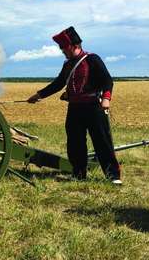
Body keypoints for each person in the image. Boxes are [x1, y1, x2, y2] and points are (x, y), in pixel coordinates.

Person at [27, 26, 122, 184]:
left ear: (76, 46)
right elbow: (58, 84)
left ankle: (113, 176)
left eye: (65, 48)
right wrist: (39, 95)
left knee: (102, 142)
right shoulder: (67, 65)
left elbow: (107, 80)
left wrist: (106, 99)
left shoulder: (92, 59)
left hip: (93, 107)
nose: (63, 51)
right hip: (75, 109)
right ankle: (79, 174)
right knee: (75, 143)